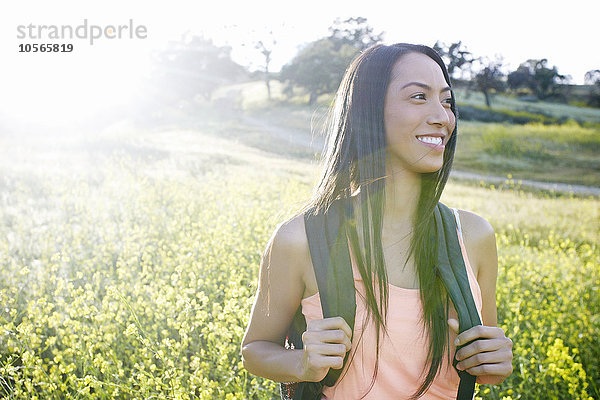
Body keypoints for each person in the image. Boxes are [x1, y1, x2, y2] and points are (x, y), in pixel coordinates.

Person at [241, 43, 513, 399]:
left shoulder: (474, 236)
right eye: (419, 97)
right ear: (367, 111)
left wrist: (493, 362)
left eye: (447, 101)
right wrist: (303, 364)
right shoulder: (301, 239)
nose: (443, 117)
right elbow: (255, 349)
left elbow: (483, 358)